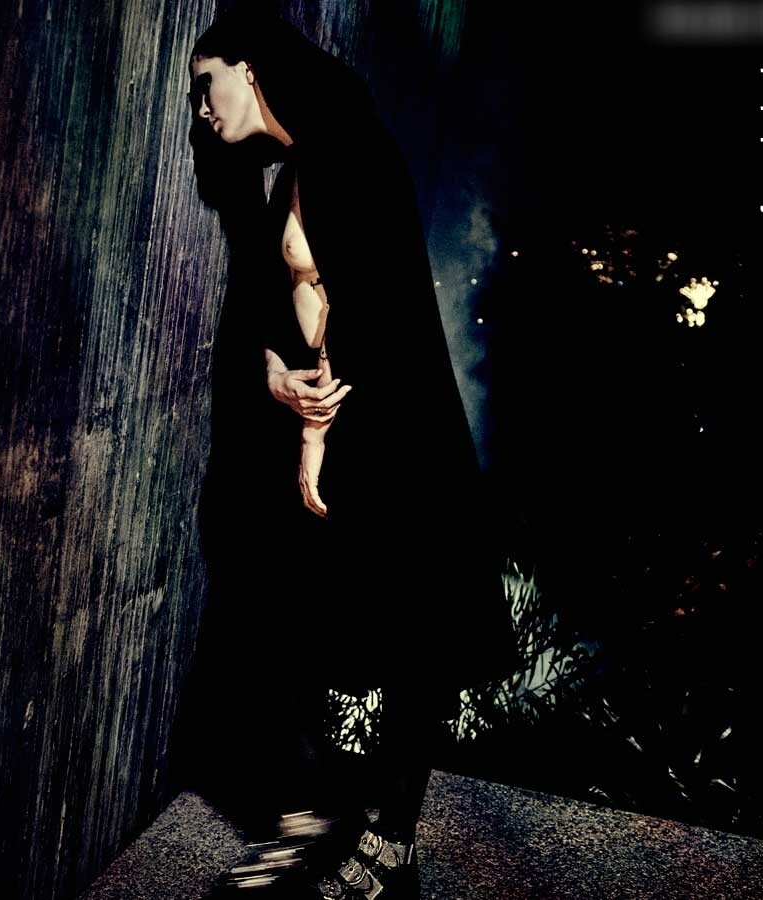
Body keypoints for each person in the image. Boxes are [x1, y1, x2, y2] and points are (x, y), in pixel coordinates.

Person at [172, 7, 517, 897]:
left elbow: (374, 315)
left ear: (250, 70)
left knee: (406, 630)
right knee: (329, 620)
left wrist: (314, 441)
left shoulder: (352, 154)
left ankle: (390, 843)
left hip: (388, 433)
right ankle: (329, 814)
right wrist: (272, 375)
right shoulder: (294, 168)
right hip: (339, 421)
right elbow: (270, 310)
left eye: (206, 85)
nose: (201, 109)